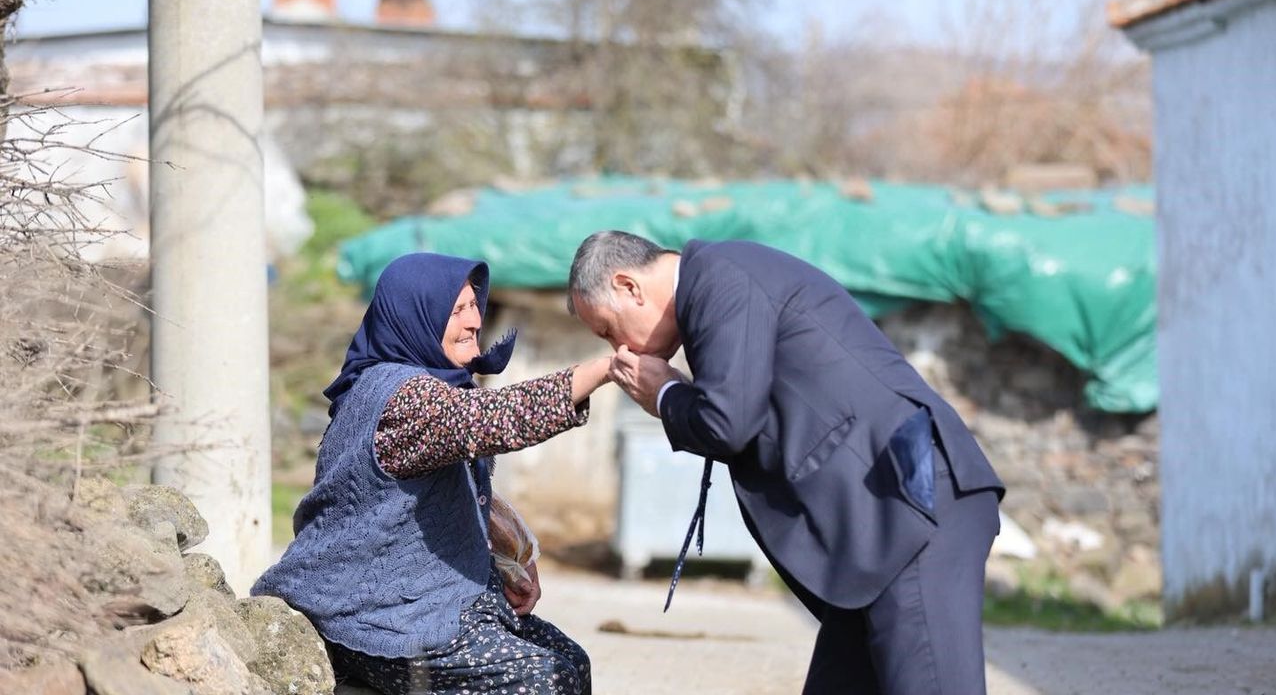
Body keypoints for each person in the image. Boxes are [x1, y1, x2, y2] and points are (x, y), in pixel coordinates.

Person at [567, 231, 1005, 695]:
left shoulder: (719, 277)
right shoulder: (715, 284)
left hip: (909, 506)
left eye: (608, 330)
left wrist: (666, 394)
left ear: (629, 287)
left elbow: (728, 422)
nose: (620, 349)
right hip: (878, 522)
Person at [254, 252, 610, 695]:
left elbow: (455, 491)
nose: (474, 321)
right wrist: (601, 370)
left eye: (475, 305)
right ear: (415, 316)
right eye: (456, 310)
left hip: (432, 602)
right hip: (377, 615)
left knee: (571, 661)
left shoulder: (435, 384)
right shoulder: (402, 395)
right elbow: (491, 419)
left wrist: (511, 558)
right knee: (542, 679)